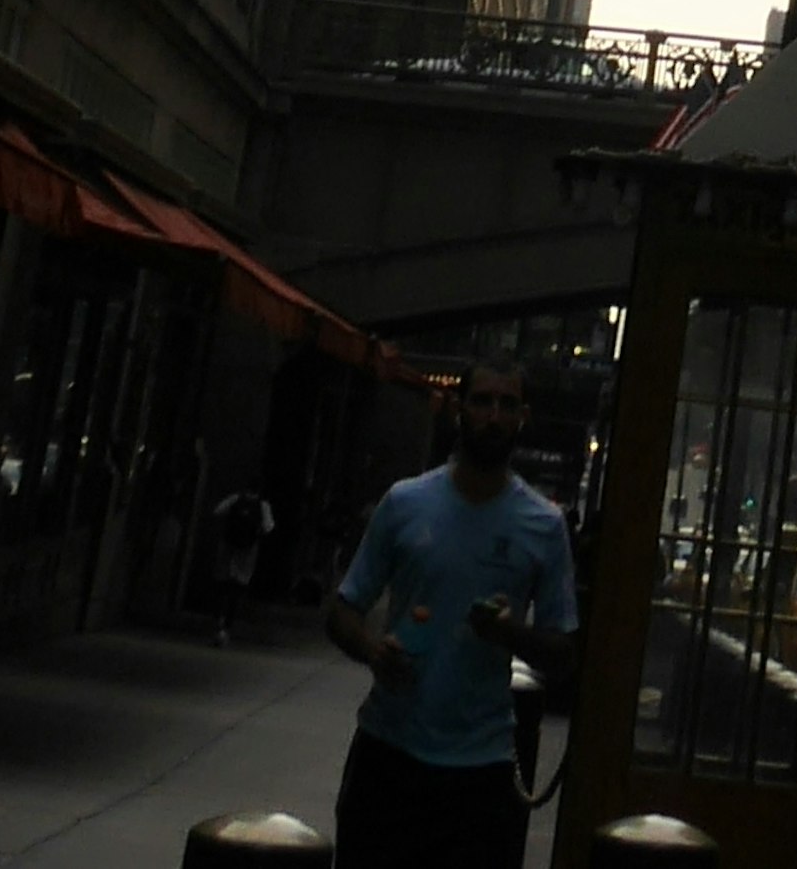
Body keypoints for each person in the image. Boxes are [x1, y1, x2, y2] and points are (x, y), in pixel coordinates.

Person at [325, 363, 579, 866]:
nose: (493, 415)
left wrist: (509, 634)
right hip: (389, 753)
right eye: (483, 401)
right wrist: (375, 652)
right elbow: (341, 611)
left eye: (507, 405)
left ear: (523, 417)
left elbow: (563, 651)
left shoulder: (544, 525)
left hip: (480, 770)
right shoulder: (405, 503)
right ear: (460, 410)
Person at [208, 476, 277, 643]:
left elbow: (217, 511)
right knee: (238, 586)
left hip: (228, 545)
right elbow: (269, 527)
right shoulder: (263, 506)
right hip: (248, 549)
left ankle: (218, 621)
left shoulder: (235, 499)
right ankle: (228, 627)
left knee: (221, 582)